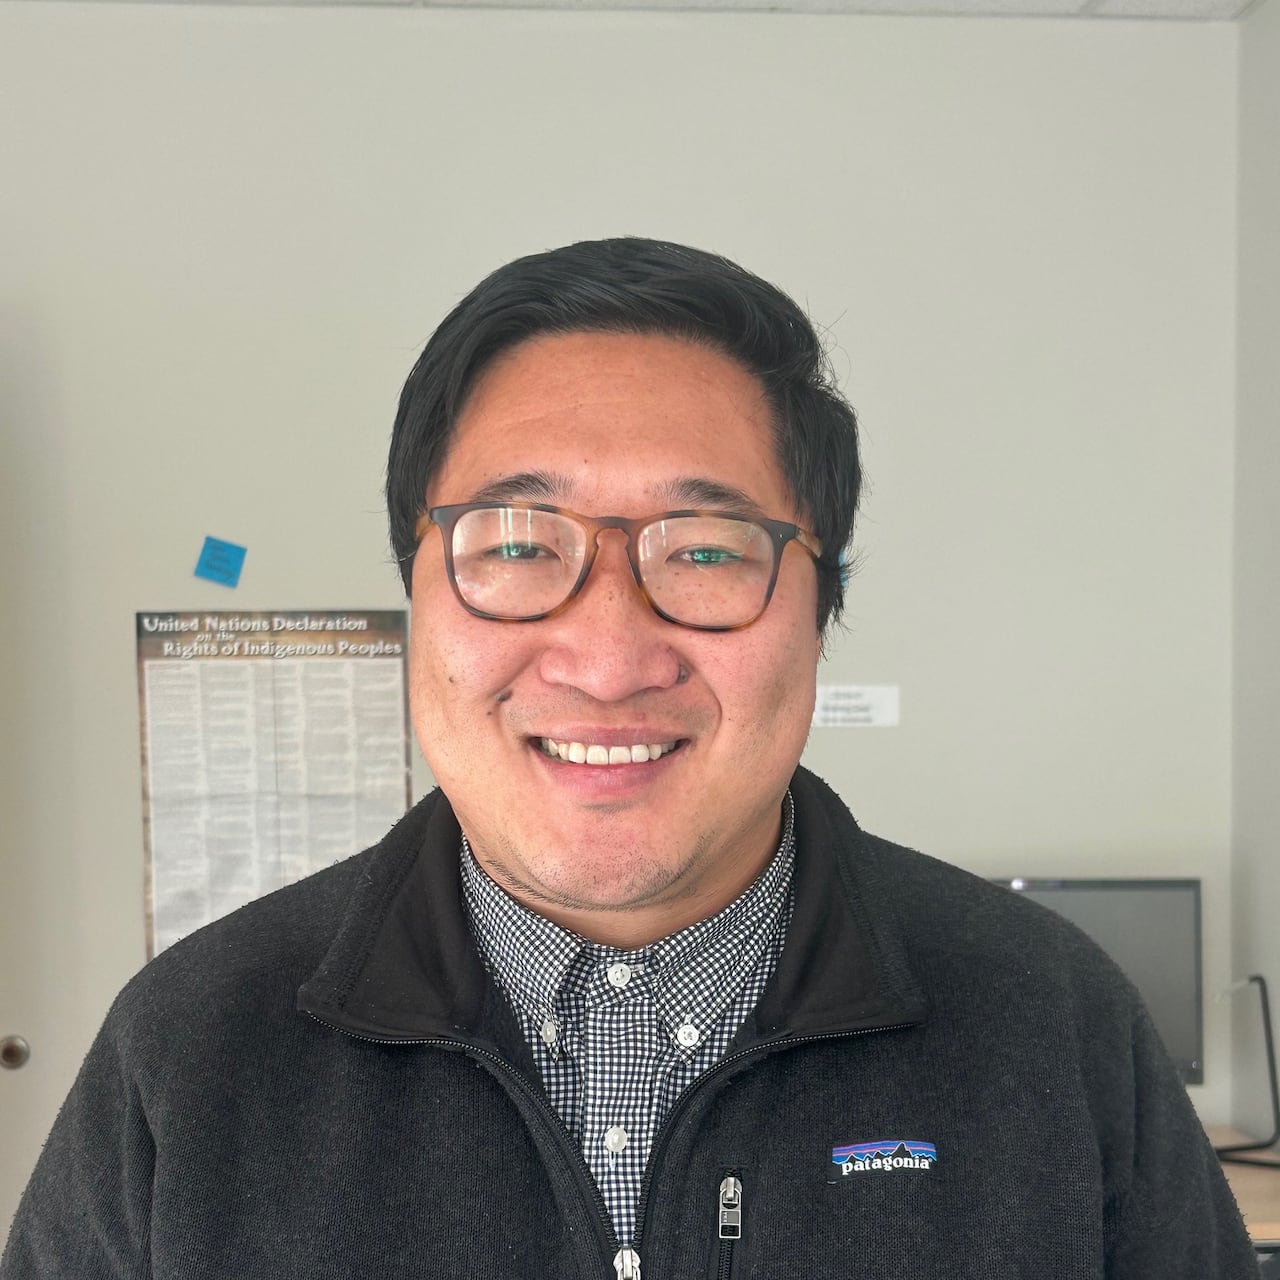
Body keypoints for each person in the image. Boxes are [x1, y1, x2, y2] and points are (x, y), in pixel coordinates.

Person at [2, 238, 1257, 1279]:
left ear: (820, 608)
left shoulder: (1047, 1019)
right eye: (513, 543)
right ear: (415, 590)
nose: (605, 654)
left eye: (705, 549)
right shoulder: (191, 1054)